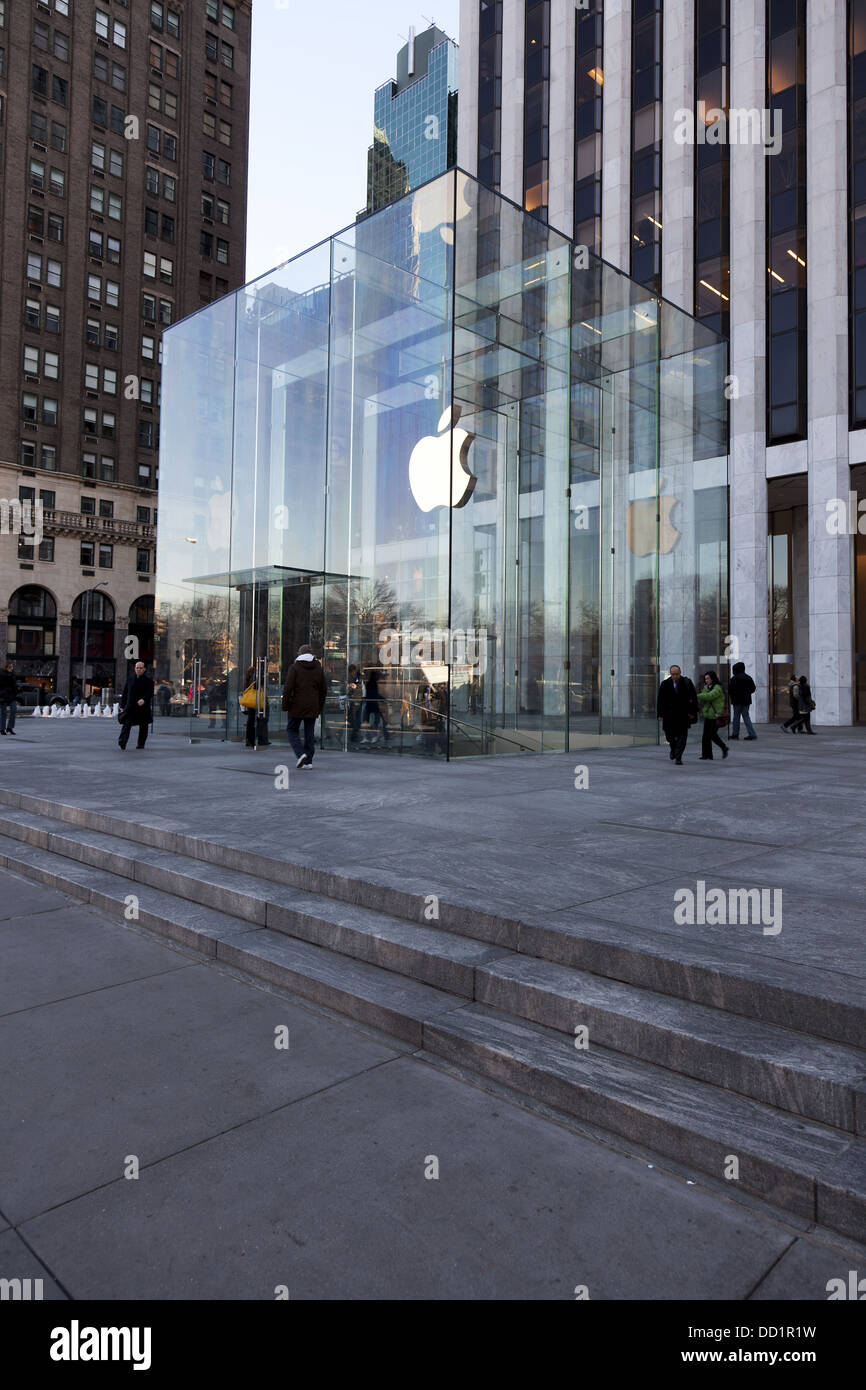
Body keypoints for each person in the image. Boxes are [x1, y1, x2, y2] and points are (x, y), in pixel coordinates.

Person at [282, 643, 327, 769]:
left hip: (296, 705)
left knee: (292, 730)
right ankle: (309, 761)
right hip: (313, 705)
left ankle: (300, 753)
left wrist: (285, 705)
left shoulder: (295, 667)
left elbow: (288, 688)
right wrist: (319, 706)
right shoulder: (318, 668)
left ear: (300, 654)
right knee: (309, 733)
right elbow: (323, 689)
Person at [656, 664, 698, 764]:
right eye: (673, 674)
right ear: (670, 674)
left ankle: (678, 757)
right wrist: (660, 714)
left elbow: (694, 698)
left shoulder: (687, 682)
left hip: (683, 715)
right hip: (669, 715)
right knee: (669, 736)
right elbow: (660, 700)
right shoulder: (665, 684)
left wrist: (693, 712)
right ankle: (673, 749)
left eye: (677, 674)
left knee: (682, 737)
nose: (675, 676)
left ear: (680, 673)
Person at [118, 660, 154, 750]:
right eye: (137, 668)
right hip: (131, 706)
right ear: (134, 669)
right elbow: (125, 692)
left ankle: (141, 744)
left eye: (141, 668)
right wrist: (122, 706)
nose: (138, 669)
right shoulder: (130, 679)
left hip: (143, 707)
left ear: (144, 669)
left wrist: (144, 699)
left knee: (143, 726)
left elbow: (150, 693)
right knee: (127, 723)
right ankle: (122, 741)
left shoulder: (149, 681)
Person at [697, 670, 729, 760]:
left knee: (712, 734)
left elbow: (709, 696)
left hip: (716, 715)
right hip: (708, 715)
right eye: (705, 679)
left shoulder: (718, 688)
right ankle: (706, 755)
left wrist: (697, 695)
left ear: (713, 678)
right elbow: (703, 699)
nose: (706, 680)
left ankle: (724, 747)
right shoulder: (706, 688)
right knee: (705, 736)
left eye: (708, 678)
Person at [241, 664, 270, 748]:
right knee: (260, 719)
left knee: (251, 720)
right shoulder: (257, 675)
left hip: (252, 701)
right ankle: (260, 740)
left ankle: (250, 740)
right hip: (257, 701)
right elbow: (258, 686)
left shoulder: (250, 675)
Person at [728, 661, 757, 740]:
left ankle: (735, 734)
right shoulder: (748, 677)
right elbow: (753, 689)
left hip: (736, 701)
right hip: (746, 701)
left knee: (736, 717)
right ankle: (752, 734)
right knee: (746, 717)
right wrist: (747, 693)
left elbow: (730, 690)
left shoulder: (734, 679)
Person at [363, 666, 390, 744]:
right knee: (377, 721)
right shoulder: (374, 683)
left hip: (370, 705)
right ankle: (375, 736)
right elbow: (375, 695)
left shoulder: (369, 683)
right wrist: (384, 700)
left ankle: (369, 737)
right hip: (374, 705)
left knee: (370, 721)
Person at [0, 663, 20, 736]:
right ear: (6, 667)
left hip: (11, 696)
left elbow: (14, 685)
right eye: (10, 667)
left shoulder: (12, 675)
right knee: (3, 713)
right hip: (3, 696)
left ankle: (9, 727)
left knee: (14, 710)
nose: (12, 668)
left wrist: (17, 690)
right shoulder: (2, 675)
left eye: (12, 667)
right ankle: (2, 729)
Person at [346, 663, 364, 744]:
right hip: (354, 700)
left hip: (357, 699)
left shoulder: (356, 677)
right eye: (355, 670)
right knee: (355, 719)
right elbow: (353, 688)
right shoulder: (351, 678)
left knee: (356, 718)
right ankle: (354, 735)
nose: (356, 672)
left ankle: (354, 735)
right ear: (352, 671)